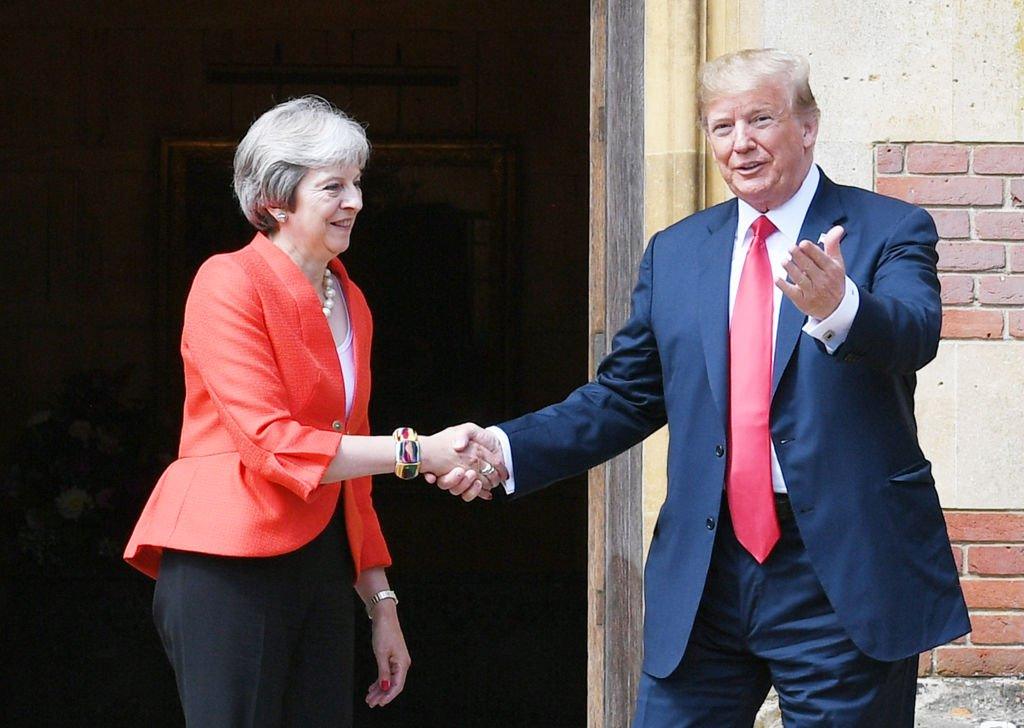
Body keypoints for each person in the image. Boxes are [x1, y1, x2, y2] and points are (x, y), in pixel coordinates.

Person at [436, 49, 970, 726]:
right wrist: (506, 448)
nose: (740, 143)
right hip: (707, 575)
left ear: (807, 127)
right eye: (721, 127)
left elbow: (914, 334)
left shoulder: (887, 229)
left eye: (760, 119)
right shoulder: (678, 250)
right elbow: (625, 397)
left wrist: (840, 308)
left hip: (838, 577)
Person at [124, 96, 504, 726]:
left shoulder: (351, 299)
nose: (355, 200)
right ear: (275, 200)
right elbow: (275, 444)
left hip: (321, 563)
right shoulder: (228, 281)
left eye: (356, 183)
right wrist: (418, 452)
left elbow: (347, 455)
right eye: (333, 186)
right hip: (228, 561)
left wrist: (382, 602)